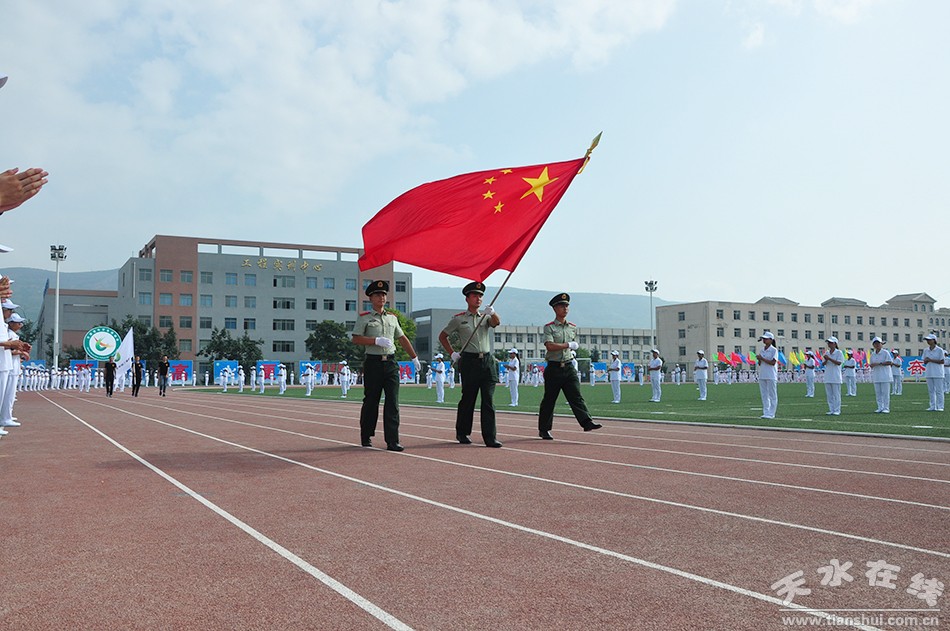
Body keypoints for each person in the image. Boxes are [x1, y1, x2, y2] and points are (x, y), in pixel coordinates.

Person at [352, 280, 421, 451]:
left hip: (390, 362)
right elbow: (356, 338)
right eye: (377, 295)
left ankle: (392, 440)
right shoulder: (364, 318)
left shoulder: (392, 318)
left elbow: (402, 338)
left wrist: (414, 357)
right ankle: (366, 435)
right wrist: (375, 340)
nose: (381, 297)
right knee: (371, 401)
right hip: (373, 363)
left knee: (393, 402)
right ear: (371, 298)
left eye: (383, 295)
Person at [439, 281, 502, 447]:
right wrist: (452, 353)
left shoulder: (486, 317)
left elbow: (496, 323)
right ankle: (463, 432)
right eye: (475, 295)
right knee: (468, 399)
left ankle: (490, 437)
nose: (478, 298)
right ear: (467, 299)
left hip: (487, 361)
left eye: (480, 296)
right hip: (469, 361)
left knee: (488, 400)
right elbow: (443, 336)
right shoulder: (459, 319)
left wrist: (493, 313)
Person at [536, 293, 602, 440]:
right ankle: (544, 429)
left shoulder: (572, 327)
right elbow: (550, 346)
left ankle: (587, 422)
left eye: (567, 305)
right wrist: (567, 345)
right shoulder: (550, 328)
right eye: (561, 305)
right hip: (553, 368)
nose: (565, 308)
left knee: (576, 396)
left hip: (568, 365)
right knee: (549, 400)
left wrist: (570, 348)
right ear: (555, 309)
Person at [921, 333, 945, 412]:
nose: (928, 341)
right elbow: (924, 361)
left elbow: (942, 361)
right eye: (927, 340)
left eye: (929, 340)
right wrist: (926, 360)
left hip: (938, 373)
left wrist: (930, 360)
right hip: (929, 372)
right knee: (931, 390)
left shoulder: (939, 350)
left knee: (939, 391)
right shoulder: (926, 350)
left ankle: (940, 406)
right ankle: (932, 406)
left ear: (934, 340)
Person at [757, 332, 778, 419]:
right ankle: (766, 412)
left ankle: (771, 413)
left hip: (771, 375)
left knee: (772, 395)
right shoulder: (762, 350)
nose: (764, 340)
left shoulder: (774, 350)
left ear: (771, 340)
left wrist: (762, 358)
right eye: (763, 339)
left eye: (766, 339)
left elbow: (773, 362)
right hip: (762, 374)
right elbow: (760, 363)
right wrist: (759, 359)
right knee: (764, 394)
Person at [869, 337, 893, 414]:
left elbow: (889, 362)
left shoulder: (885, 352)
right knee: (878, 393)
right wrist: (872, 365)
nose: (877, 345)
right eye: (875, 343)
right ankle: (880, 407)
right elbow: (872, 364)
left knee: (885, 393)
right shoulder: (873, 354)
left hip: (885, 376)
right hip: (876, 375)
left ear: (881, 344)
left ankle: (886, 407)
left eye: (878, 343)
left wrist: (879, 363)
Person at [823, 337, 843, 415]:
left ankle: (837, 410)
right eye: (828, 343)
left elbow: (839, 363)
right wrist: (826, 359)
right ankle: (831, 409)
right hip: (828, 376)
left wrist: (829, 358)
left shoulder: (839, 353)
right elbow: (823, 363)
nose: (829, 344)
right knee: (829, 395)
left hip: (836, 377)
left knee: (836, 394)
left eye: (830, 343)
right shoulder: (827, 353)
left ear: (835, 344)